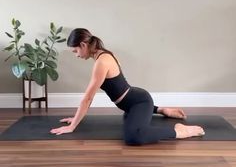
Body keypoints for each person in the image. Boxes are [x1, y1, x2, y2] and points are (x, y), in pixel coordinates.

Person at [50, 28, 205, 145]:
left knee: (134, 137)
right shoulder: (103, 54)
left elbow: (87, 99)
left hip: (140, 102)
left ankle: (180, 131)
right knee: (130, 126)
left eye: (75, 50)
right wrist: (76, 118)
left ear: (83, 45)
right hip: (133, 104)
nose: (76, 55)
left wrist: (72, 127)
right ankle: (161, 109)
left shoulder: (102, 62)